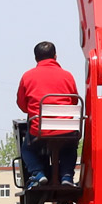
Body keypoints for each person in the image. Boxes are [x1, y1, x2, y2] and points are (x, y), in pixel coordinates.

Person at [17, 41, 80, 187]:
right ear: (55, 56)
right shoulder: (67, 76)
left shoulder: (27, 76)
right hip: (66, 129)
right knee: (69, 146)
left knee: (27, 148)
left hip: (40, 130)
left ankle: (38, 173)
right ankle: (66, 176)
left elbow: (22, 104)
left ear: (36, 58)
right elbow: (74, 101)